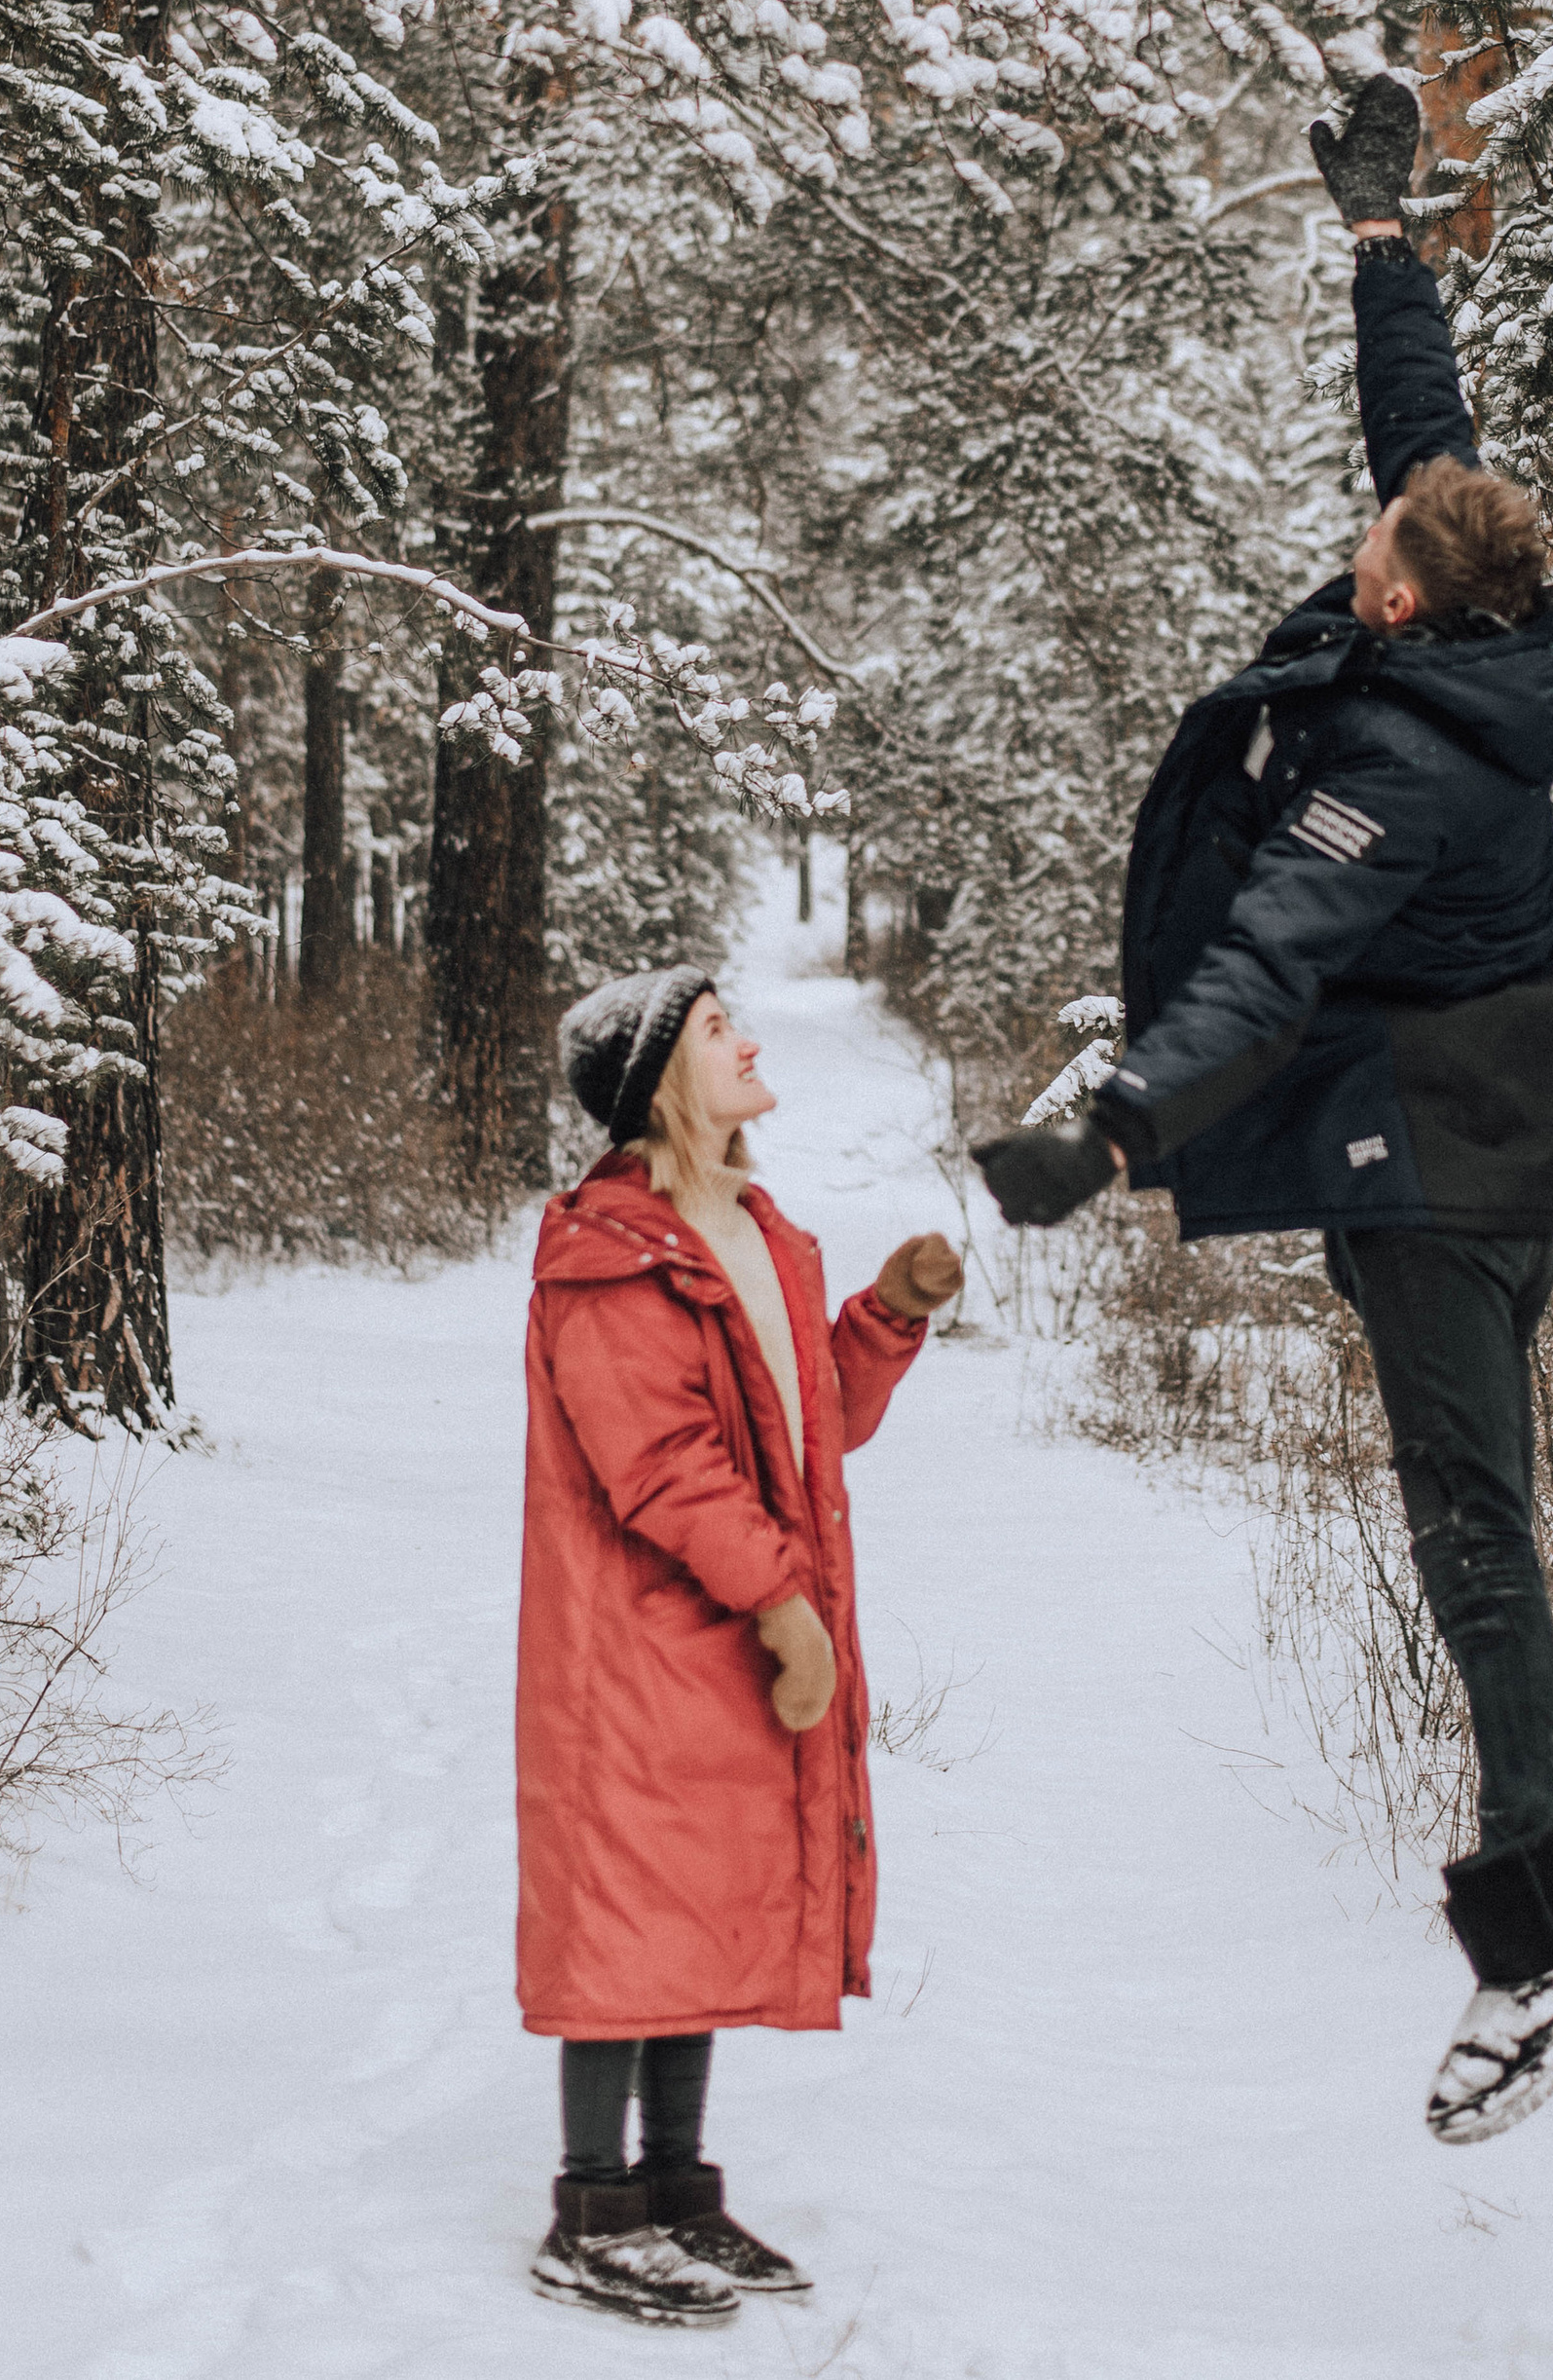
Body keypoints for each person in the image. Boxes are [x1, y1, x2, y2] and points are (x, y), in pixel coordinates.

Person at [975, 74, 1553, 2145]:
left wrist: (1110, 1129)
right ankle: (1539, 1929)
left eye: (1369, 541)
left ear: (1399, 599)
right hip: (1476, 1109)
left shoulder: (1402, 769)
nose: (1360, 523)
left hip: (1439, 1162)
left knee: (1471, 1522)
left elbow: (1268, 959)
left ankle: (1541, 1942)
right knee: (1472, 1508)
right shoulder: (1479, 637)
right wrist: (1379, 244)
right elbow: (1415, 429)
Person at [516, 967, 963, 2324]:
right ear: (660, 1076)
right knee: (625, 1910)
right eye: (719, 1029)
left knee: (696, 1901)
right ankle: (590, 2206)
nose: (750, 1042)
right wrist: (784, 1606)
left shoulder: (755, 1229)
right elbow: (663, 1465)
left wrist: (885, 1316)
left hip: (726, 1631)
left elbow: (804, 1423)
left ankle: (675, 2190)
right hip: (643, 1643)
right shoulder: (610, 1250)